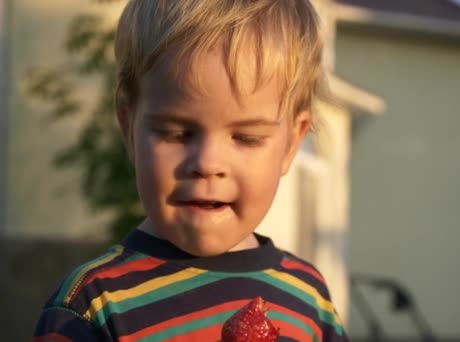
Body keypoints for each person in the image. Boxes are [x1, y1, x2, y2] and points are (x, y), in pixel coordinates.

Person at [32, 0, 348, 340]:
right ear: (129, 127)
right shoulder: (91, 307)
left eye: (246, 137)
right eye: (177, 133)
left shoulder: (309, 300)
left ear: (291, 144)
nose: (207, 164)